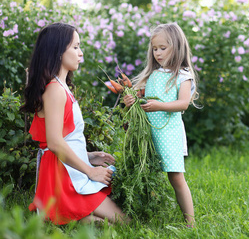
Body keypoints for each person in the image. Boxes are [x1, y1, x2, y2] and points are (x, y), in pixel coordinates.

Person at [21, 22, 128, 225]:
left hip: (68, 170)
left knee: (119, 222)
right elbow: (54, 143)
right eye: (76, 47)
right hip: (63, 177)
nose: (81, 53)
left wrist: (90, 156)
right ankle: (62, 214)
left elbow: (64, 139)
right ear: (58, 51)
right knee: (124, 222)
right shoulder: (54, 90)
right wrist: (90, 171)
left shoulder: (62, 87)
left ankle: (69, 218)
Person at [123, 22, 199, 227]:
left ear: (177, 47)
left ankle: (190, 222)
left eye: (162, 48)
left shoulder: (182, 75)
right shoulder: (152, 74)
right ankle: (148, 212)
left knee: (175, 176)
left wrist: (160, 106)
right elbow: (137, 97)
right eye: (154, 48)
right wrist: (130, 100)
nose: (157, 53)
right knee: (146, 173)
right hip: (148, 134)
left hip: (169, 133)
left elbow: (183, 103)